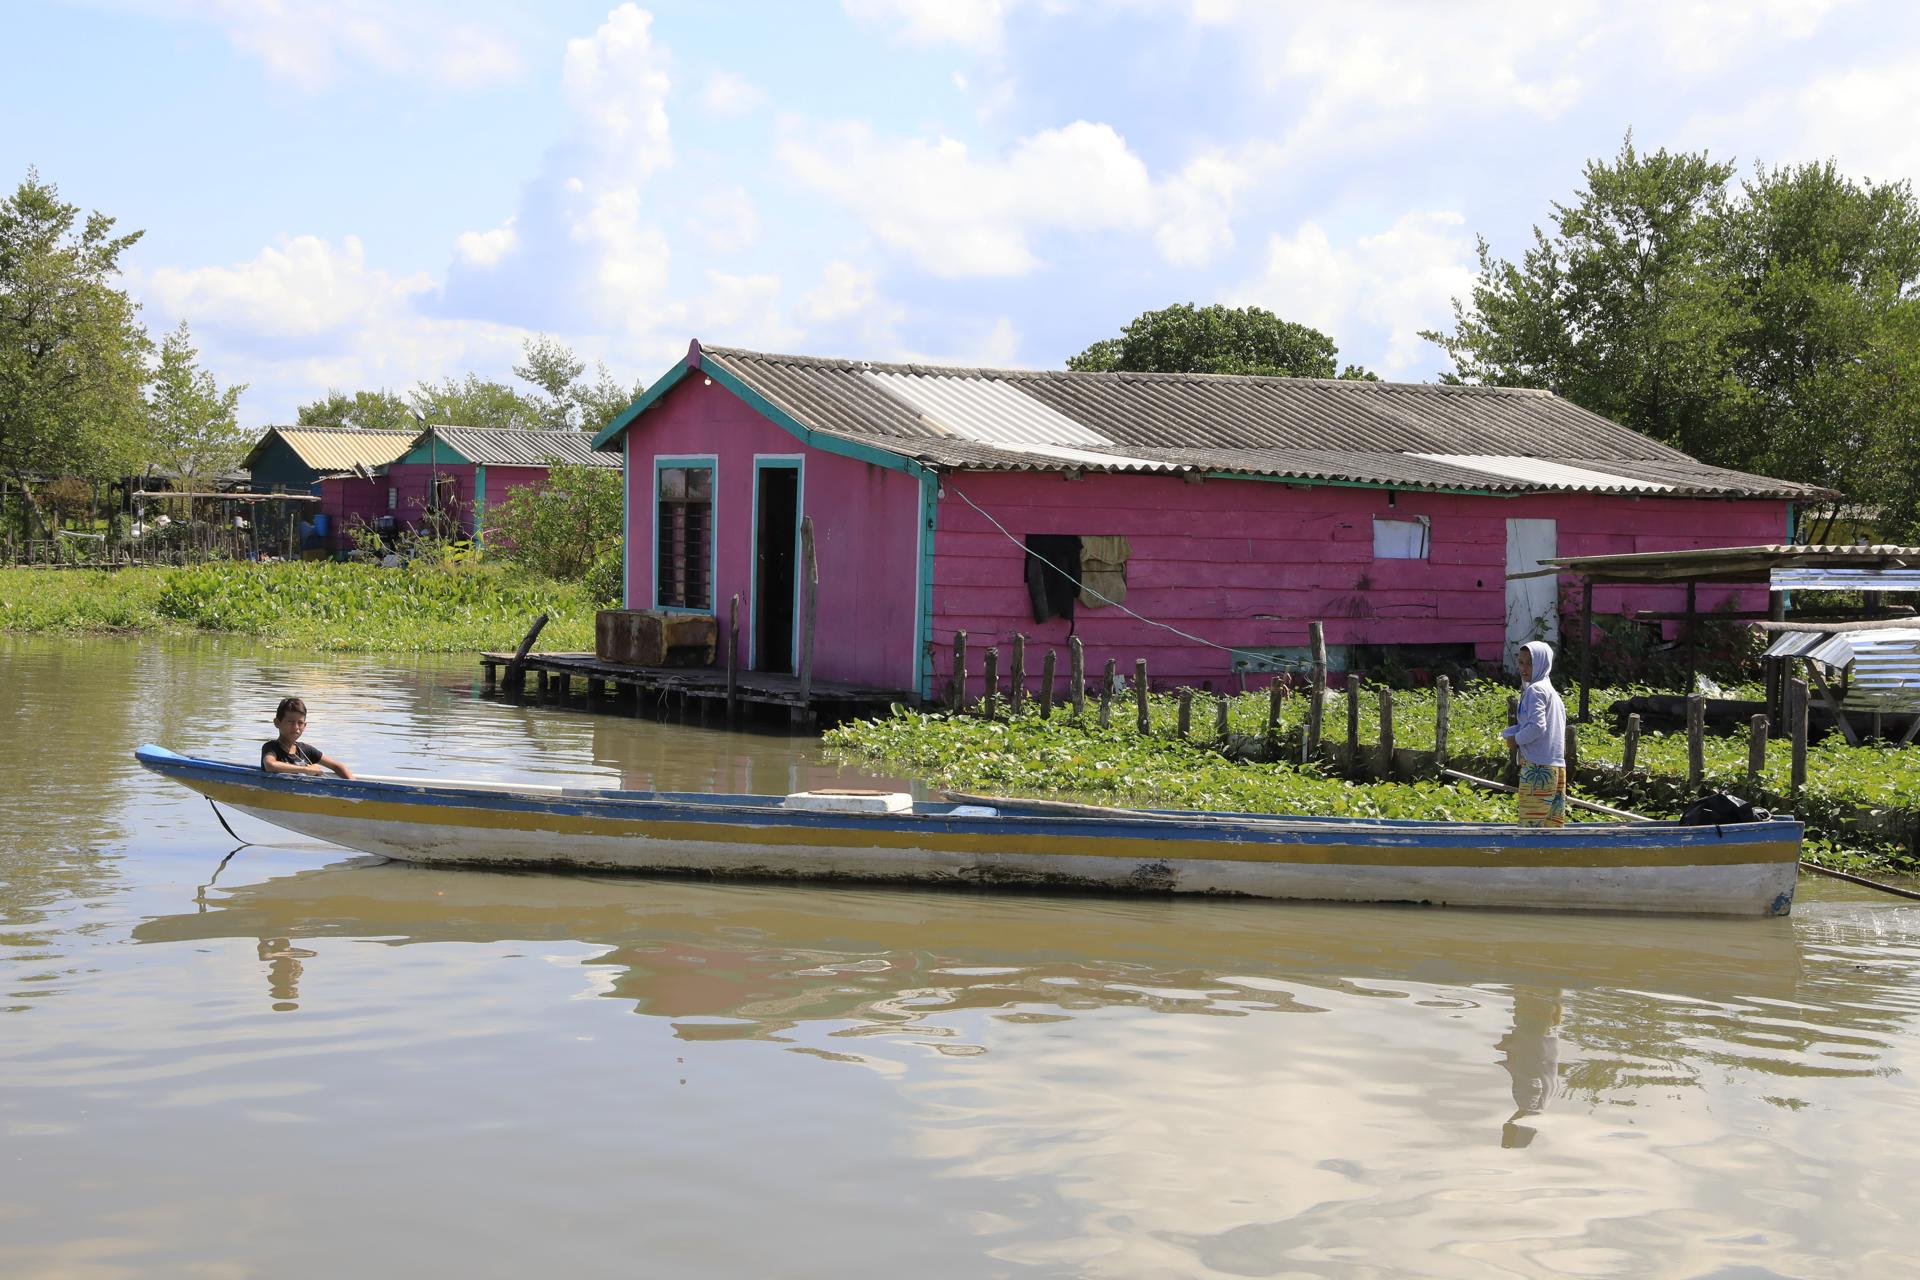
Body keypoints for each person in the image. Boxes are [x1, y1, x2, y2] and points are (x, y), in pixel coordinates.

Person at [1500, 640, 1566, 827]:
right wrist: (1513, 731)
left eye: (1530, 663)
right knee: (1551, 830)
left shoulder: (1535, 690)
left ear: (1542, 663)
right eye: (1521, 662)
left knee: (1530, 831)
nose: (1524, 668)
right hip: (1556, 769)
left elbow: (1538, 727)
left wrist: (1516, 740)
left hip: (1538, 770)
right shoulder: (1552, 692)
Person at [261, 697, 354, 780]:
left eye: (300, 723)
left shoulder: (305, 750)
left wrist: (353, 785)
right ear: (277, 723)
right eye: (290, 722)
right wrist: (306, 769)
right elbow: (270, 765)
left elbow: (337, 766)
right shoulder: (271, 747)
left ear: (305, 726)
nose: (296, 727)